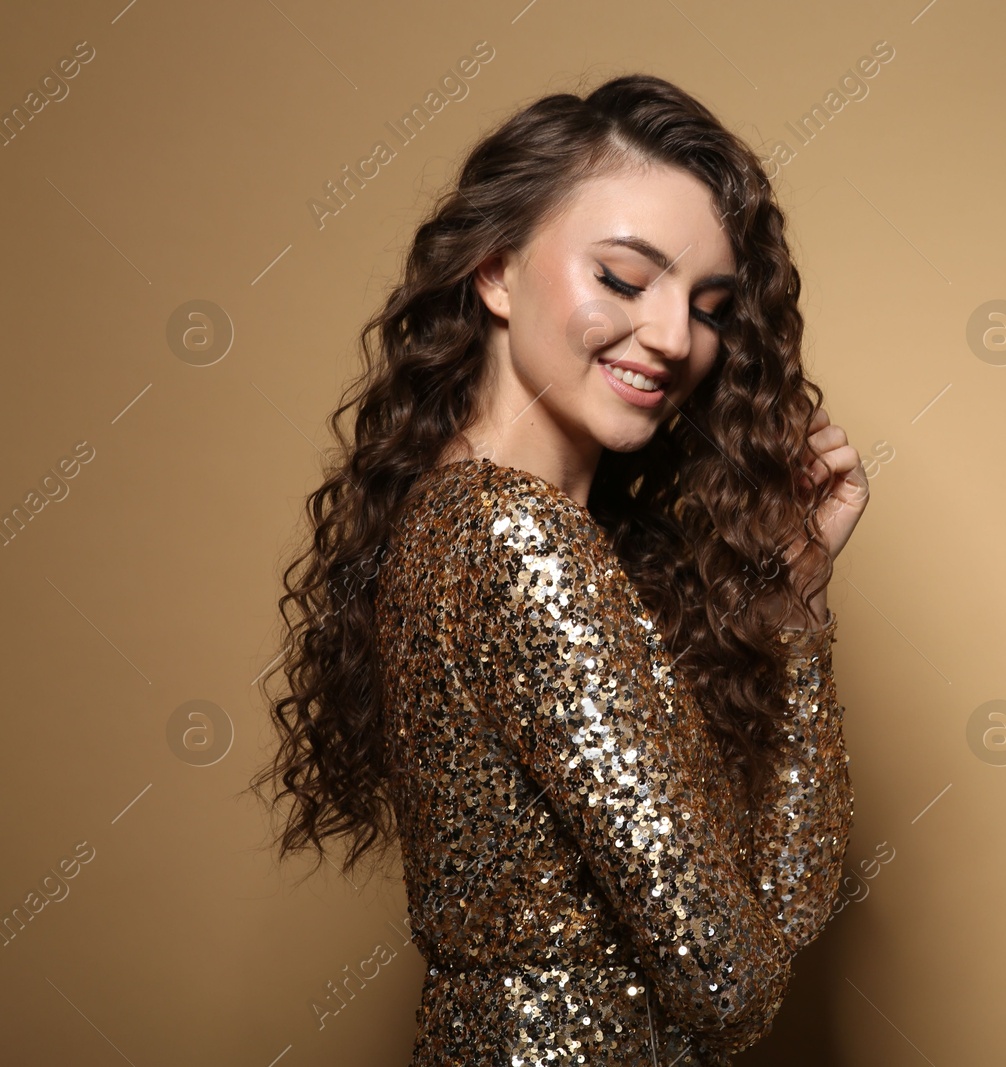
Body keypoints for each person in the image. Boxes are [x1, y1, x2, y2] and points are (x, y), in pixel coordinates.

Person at [250, 73, 869, 1064]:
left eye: (708, 306)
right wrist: (739, 955)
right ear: (495, 272)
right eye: (623, 279)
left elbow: (778, 918)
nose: (672, 338)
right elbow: (732, 985)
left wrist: (791, 608)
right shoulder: (520, 543)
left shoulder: (461, 520)